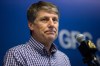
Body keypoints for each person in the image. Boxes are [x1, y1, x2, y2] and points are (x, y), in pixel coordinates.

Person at [3, 1, 71, 66]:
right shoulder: (16, 55)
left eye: (54, 20)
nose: (52, 24)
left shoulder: (64, 59)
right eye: (44, 19)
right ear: (31, 25)